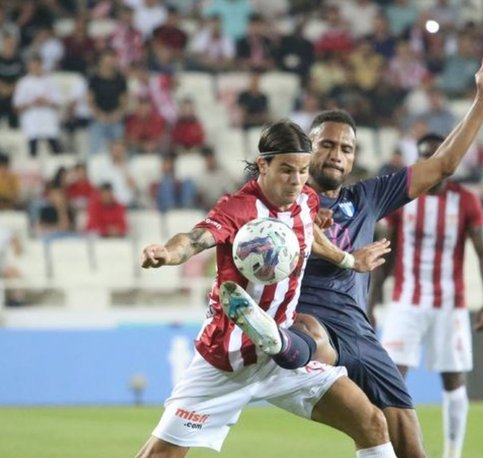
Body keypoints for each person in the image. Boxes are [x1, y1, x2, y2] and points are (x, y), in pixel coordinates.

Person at [292, 54, 483, 458]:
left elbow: (444, 164)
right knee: (354, 402)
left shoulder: (367, 198)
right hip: (310, 328)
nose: (336, 154)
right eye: (326, 144)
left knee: (407, 443)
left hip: (362, 337)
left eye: (346, 147)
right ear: (307, 149)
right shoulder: (283, 198)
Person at [137, 119, 398, 457]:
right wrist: (168, 253)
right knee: (159, 455)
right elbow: (195, 239)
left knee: (372, 422)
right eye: (287, 170)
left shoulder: (306, 200)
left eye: (304, 170)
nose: (297, 180)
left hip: (282, 355)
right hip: (227, 359)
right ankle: (263, 330)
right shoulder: (238, 208)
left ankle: (278, 339)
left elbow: (310, 235)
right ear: (263, 164)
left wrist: (348, 261)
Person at [369, 131, 483, 458]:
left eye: (438, 157)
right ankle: (389, 451)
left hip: (449, 305)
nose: (434, 164)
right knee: (391, 379)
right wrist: (370, 302)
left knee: (454, 380)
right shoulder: (403, 198)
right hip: (406, 301)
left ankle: (453, 454)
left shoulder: (466, 200)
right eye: (426, 157)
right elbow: (386, 251)